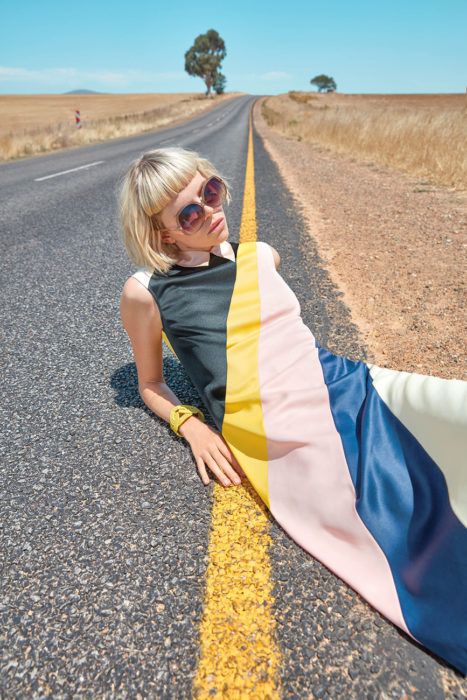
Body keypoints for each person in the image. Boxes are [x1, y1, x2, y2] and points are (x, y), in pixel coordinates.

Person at [119, 147, 466, 674]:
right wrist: (191, 427)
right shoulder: (146, 292)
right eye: (189, 212)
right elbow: (150, 383)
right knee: (403, 531)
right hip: (286, 431)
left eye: (209, 190)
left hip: (348, 382)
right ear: (165, 233)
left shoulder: (262, 255)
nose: (210, 209)